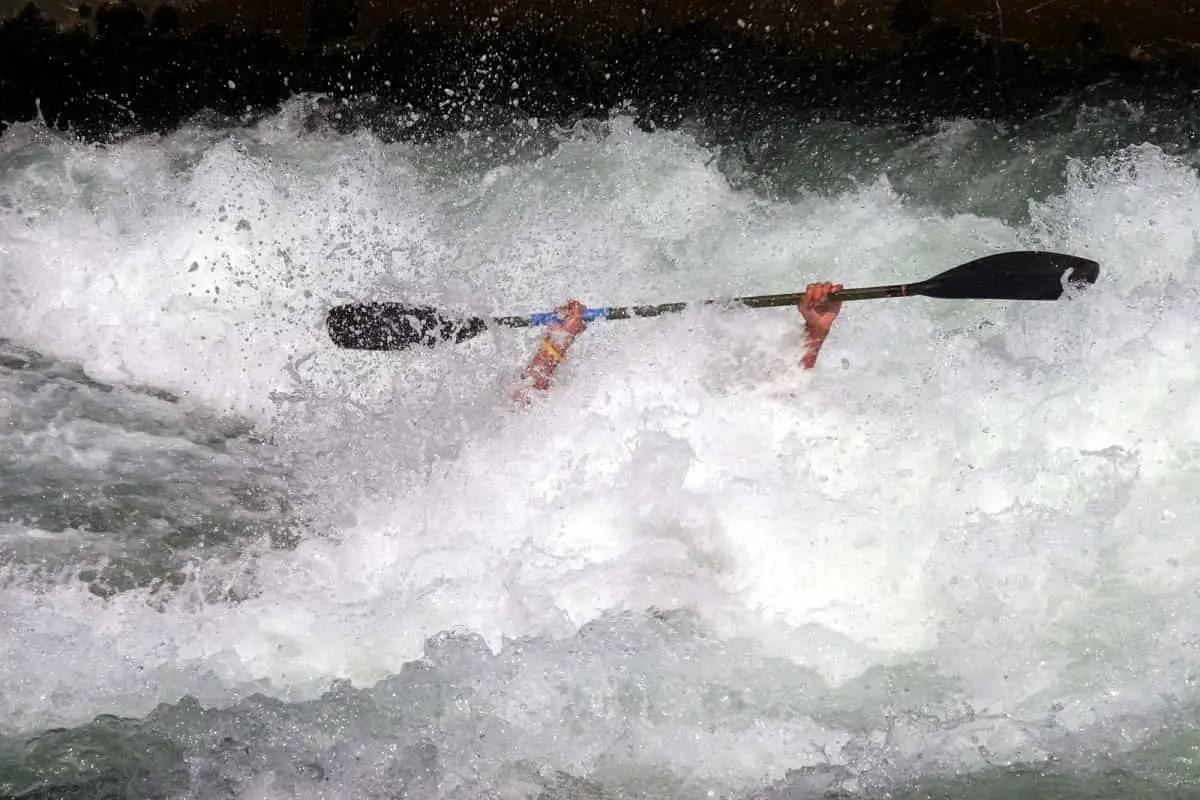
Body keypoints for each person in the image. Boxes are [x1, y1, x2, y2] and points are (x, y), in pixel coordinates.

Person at [512, 282, 844, 405]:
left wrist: (815, 332)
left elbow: (780, 400)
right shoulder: (611, 410)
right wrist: (558, 339)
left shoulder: (715, 416)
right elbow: (521, 418)